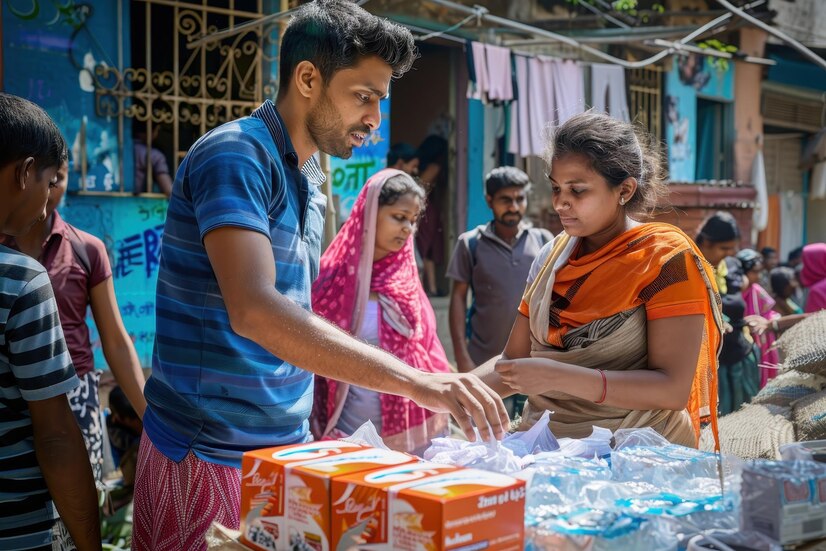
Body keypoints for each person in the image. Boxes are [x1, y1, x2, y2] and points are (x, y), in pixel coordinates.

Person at [132, 3, 508, 549]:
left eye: (381, 99)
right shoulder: (237, 155)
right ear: (307, 78)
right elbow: (256, 310)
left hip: (283, 447)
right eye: (363, 96)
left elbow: (297, 312)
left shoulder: (308, 174)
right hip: (206, 452)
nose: (376, 118)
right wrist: (415, 381)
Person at [473, 112, 723, 448]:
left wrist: (559, 376)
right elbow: (512, 364)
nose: (561, 202)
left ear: (624, 190)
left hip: (638, 455)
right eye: (556, 188)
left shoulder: (666, 260)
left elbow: (672, 389)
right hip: (545, 447)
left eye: (577, 190)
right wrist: (448, 391)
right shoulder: (551, 257)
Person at [2, 159, 147, 484]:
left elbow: (116, 341)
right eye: (43, 179)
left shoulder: (87, 249)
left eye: (58, 179)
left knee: (79, 504)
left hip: (75, 394)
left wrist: (152, 420)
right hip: (10, 395)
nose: (50, 190)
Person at [0, 92, 100, 550]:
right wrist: (89, 543)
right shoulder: (21, 279)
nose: (44, 207)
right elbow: (56, 435)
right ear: (23, 173)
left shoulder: (83, 247)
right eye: (48, 182)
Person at [311, 169, 452, 454]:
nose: (407, 229)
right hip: (347, 426)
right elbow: (312, 350)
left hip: (407, 432)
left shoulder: (406, 279)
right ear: (369, 212)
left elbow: (427, 347)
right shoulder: (333, 277)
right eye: (399, 217)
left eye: (413, 221)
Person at [446, 167, 552, 418]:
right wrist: (462, 357)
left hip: (533, 361)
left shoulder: (543, 241)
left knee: (532, 434)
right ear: (489, 201)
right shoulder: (470, 243)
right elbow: (458, 300)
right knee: (489, 435)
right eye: (506, 200)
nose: (514, 207)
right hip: (486, 364)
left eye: (520, 199)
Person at [737, 249, 780, 386]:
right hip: (739, 345)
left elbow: (770, 312)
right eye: (755, 272)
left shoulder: (757, 291)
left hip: (759, 341)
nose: (759, 276)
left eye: (760, 271)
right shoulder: (733, 293)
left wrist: (767, 320)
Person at [415, 134, 448, 296]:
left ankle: (430, 288)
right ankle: (430, 288)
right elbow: (421, 188)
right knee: (426, 249)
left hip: (426, 208)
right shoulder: (434, 166)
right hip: (426, 209)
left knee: (426, 249)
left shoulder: (425, 165)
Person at [695, 211, 740, 294]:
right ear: (706, 243)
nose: (729, 253)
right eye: (724, 248)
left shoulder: (729, 266)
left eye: (732, 248)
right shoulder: (690, 271)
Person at [133, 125, 173, 197]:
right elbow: (168, 190)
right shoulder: (154, 155)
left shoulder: (116, 152)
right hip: (137, 203)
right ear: (153, 132)